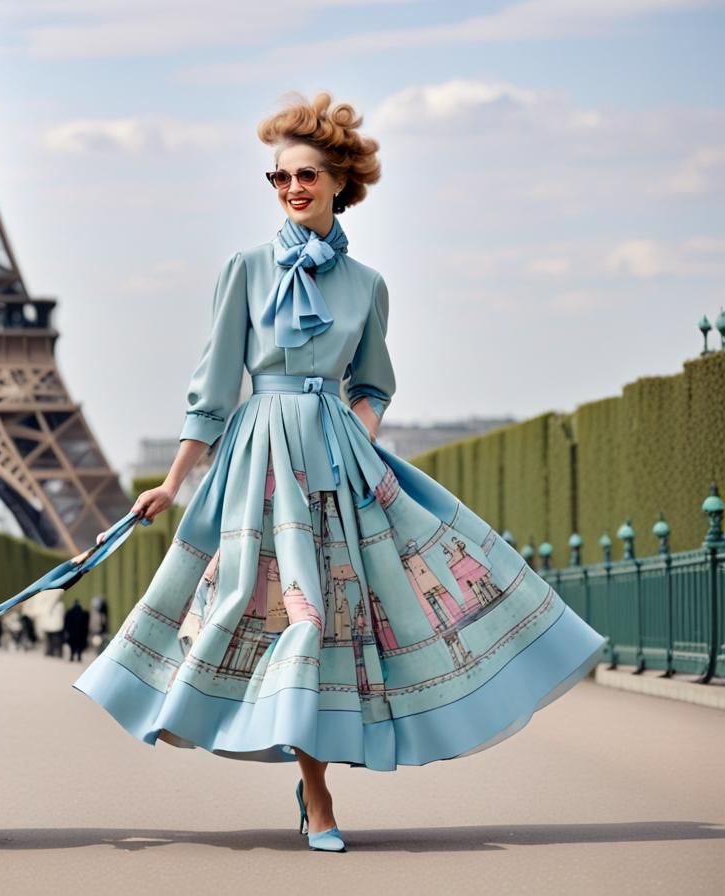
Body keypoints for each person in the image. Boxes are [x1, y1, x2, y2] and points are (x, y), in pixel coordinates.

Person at [75, 93, 604, 853]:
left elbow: (374, 384)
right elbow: (215, 387)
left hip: (337, 466)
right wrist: (172, 479)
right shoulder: (246, 270)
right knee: (294, 616)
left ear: (338, 182)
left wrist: (357, 441)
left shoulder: (369, 286)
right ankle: (317, 792)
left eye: (306, 176)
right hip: (260, 466)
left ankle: (318, 786)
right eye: (279, 177)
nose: (292, 188)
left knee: (337, 621)